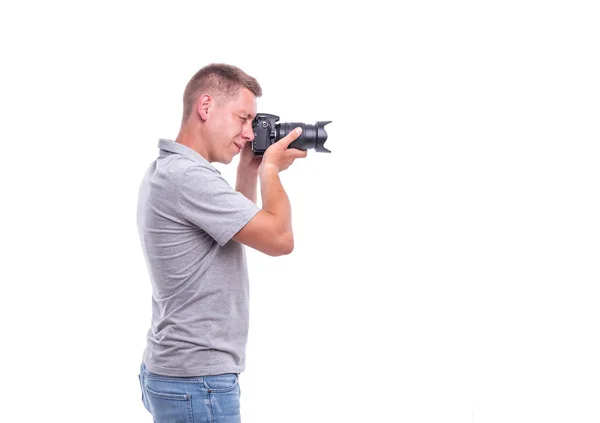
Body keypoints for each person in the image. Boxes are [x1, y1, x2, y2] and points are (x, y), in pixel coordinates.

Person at [136, 63, 307, 423]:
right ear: (206, 106)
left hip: (182, 372)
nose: (248, 134)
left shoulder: (169, 170)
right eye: (243, 119)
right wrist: (270, 171)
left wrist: (247, 172)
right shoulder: (188, 178)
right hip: (198, 381)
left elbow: (235, 232)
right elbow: (279, 239)